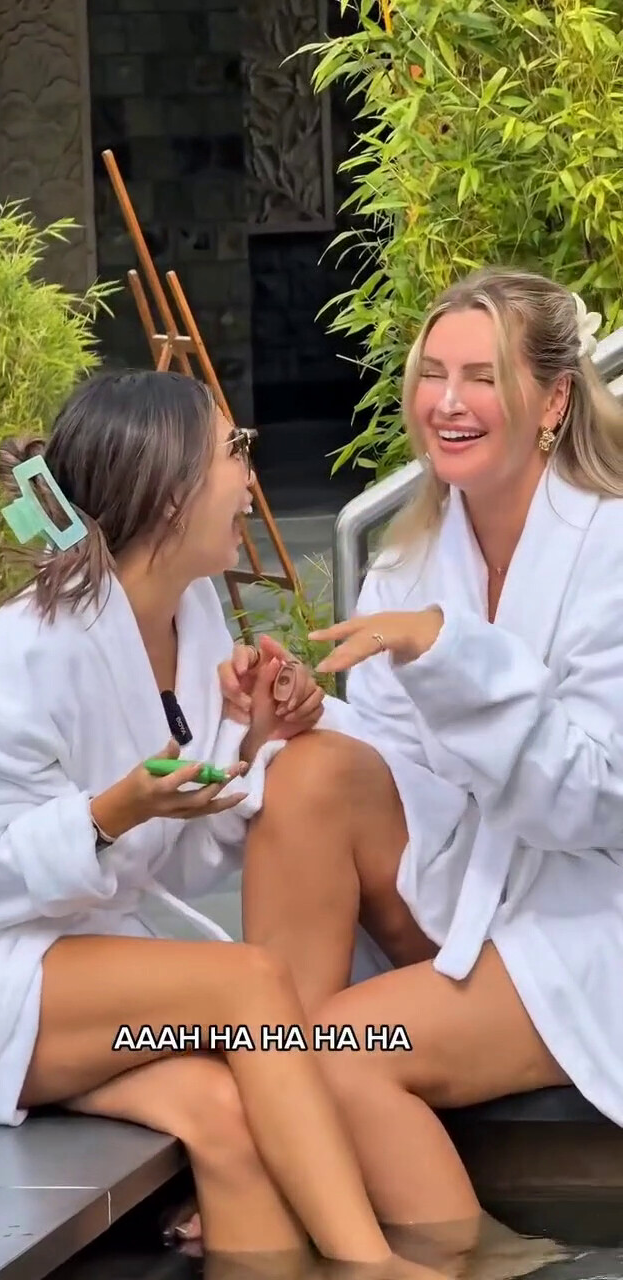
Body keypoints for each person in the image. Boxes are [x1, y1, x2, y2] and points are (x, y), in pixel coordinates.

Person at [0, 369, 398, 1266]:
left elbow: (179, 855)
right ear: (171, 493)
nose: (250, 475)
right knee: (249, 984)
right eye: (232, 452)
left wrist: (253, 741)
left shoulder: (188, 616)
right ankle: (374, 1266)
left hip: (83, 973)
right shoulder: (7, 666)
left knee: (226, 1113)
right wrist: (106, 814)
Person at [234, 266, 623, 1246]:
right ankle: (281, 1135)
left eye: (482, 377)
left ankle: (485, 1260)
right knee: (307, 774)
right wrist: (306, 720)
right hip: (471, 883)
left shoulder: (612, 547)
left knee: (337, 1049)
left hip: (591, 907)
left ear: (554, 400)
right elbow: (397, 766)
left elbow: (594, 800)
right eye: (433, 375)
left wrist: (450, 653)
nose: (447, 402)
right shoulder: (411, 557)